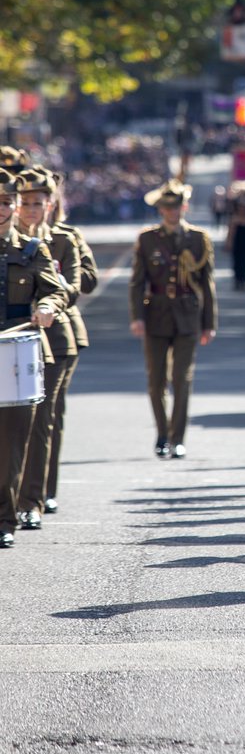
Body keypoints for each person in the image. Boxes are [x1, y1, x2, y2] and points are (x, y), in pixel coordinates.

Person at [0, 168, 66, 549]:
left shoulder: (30, 249)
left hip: (16, 351)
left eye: (8, 202)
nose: (4, 209)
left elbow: (55, 292)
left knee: (13, 440)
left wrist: (45, 306)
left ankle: (6, 519)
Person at [129, 178, 217, 458]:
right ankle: (162, 434)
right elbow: (137, 282)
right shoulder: (147, 239)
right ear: (160, 209)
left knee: (181, 378)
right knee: (156, 381)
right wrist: (137, 317)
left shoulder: (198, 238)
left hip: (187, 315)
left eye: (176, 206)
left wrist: (209, 323)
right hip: (155, 314)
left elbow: (207, 283)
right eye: (167, 207)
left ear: (184, 206)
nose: (172, 211)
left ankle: (178, 438)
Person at [15, 168, 81, 529]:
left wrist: (48, 305)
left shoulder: (62, 240)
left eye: (36, 203)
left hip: (54, 339)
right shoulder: (6, 240)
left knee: (42, 419)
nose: (29, 209)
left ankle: (32, 500)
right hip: (11, 337)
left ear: (49, 205)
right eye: (23, 203)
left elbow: (72, 285)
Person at [44, 170, 98, 513]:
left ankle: (40, 489)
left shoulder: (67, 236)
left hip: (59, 328)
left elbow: (86, 281)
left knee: (48, 412)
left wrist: (60, 279)